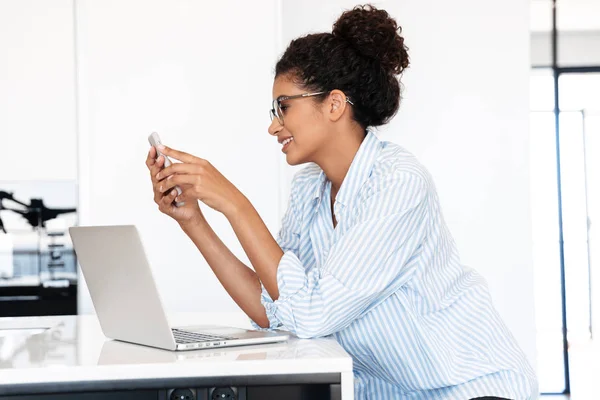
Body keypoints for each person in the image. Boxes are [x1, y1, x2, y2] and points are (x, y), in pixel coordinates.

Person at [145, 4, 538, 399]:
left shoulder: (397, 183)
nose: (273, 125)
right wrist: (194, 222)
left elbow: (312, 313)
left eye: (284, 107)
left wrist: (236, 204)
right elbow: (279, 314)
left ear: (334, 104)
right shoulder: (309, 189)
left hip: (469, 390)